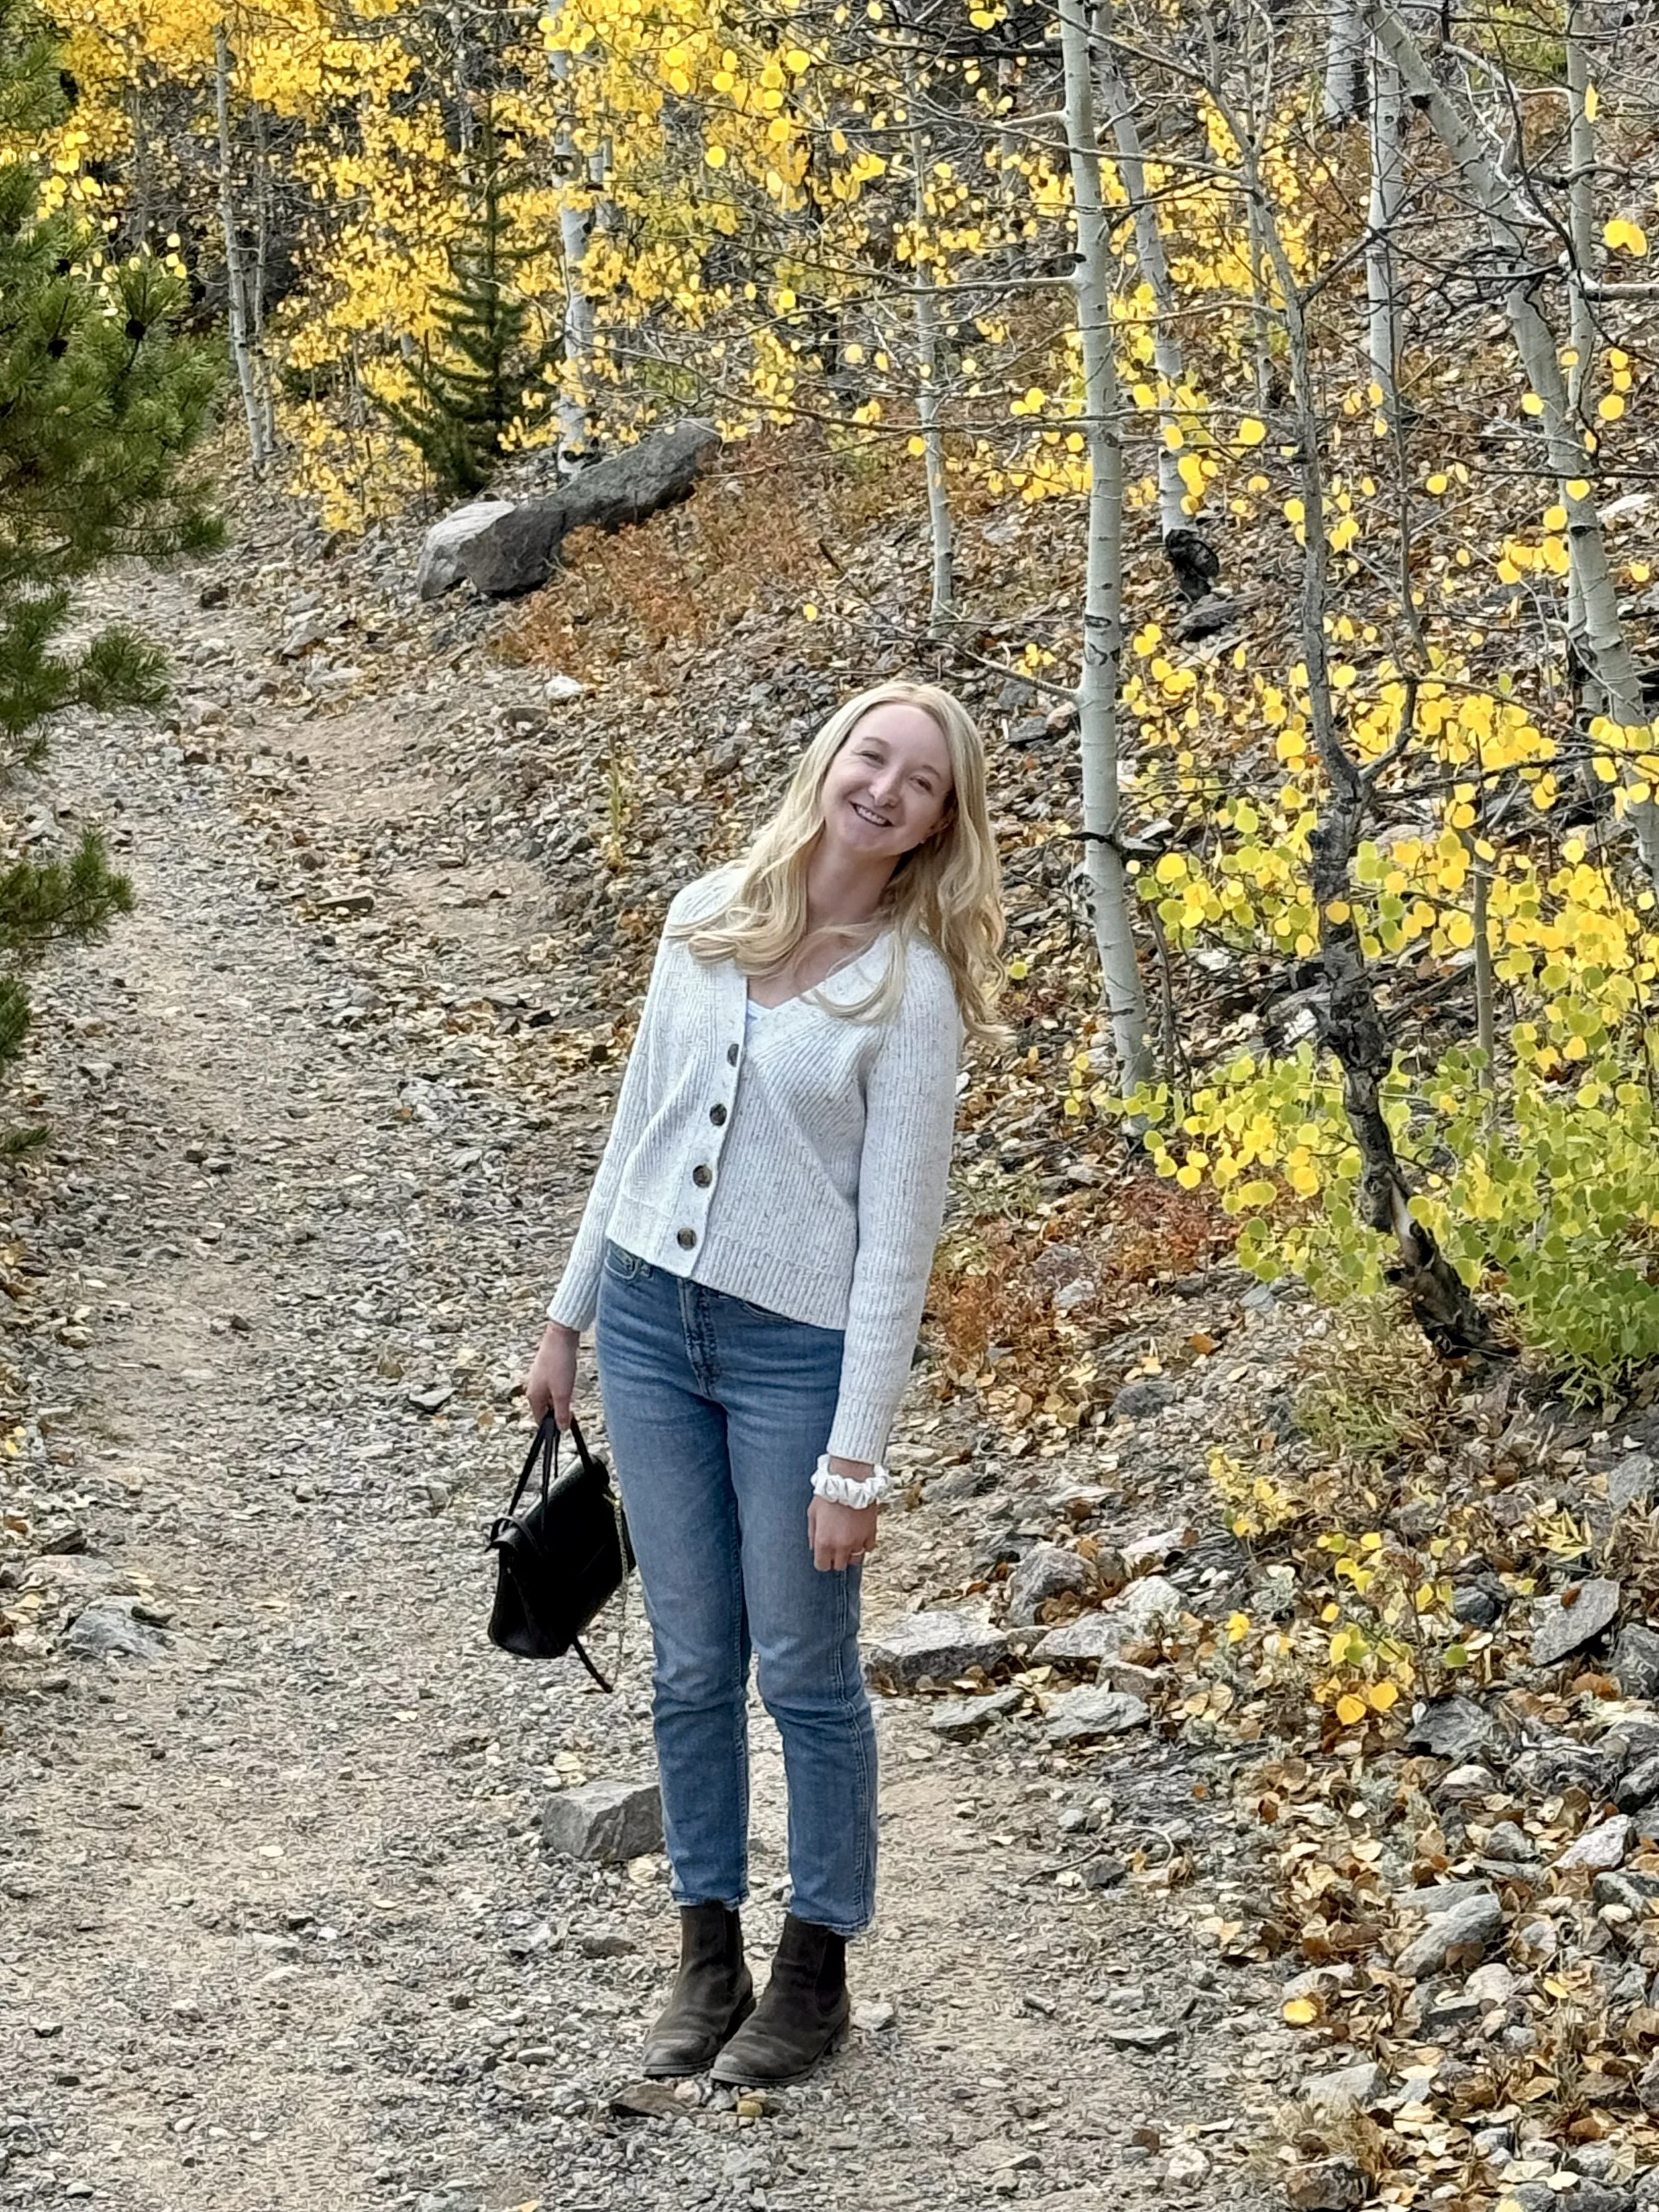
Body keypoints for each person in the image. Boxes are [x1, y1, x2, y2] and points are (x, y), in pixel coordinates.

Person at [525, 678, 1004, 2086]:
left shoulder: (908, 994)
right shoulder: (705, 916)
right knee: (689, 1662)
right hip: (647, 1327)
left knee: (802, 1666)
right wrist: (565, 1322)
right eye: (873, 756)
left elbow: (895, 1250)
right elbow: (635, 1132)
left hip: (794, 1355)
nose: (885, 790)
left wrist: (855, 1458)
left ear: (939, 824)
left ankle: (814, 1969)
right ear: (830, 759)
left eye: (921, 782)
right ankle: (706, 1954)